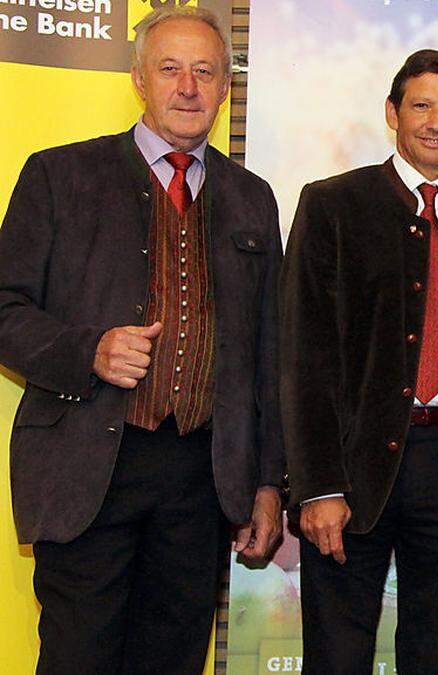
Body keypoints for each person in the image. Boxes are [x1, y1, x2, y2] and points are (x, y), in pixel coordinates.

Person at [0, 7, 283, 673]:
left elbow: (269, 354)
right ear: (138, 79)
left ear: (224, 90)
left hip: (202, 477)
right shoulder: (59, 175)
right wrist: (87, 349)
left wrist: (268, 482)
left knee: (174, 659)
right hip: (89, 465)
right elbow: (4, 308)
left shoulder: (253, 198)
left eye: (205, 72)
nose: (188, 86)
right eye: (170, 68)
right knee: (79, 657)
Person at [280, 49, 438, 673]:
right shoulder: (332, 205)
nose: (436, 122)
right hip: (350, 470)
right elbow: (302, 356)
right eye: (421, 105)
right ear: (392, 113)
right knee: (336, 656)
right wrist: (317, 486)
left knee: (434, 653)